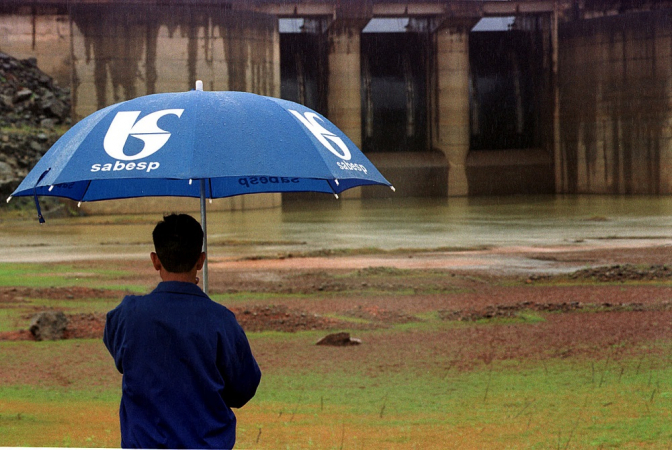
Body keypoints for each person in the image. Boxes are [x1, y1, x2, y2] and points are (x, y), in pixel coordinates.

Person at [103, 213, 261, 449]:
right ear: (201, 261)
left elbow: (121, 359)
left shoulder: (127, 314)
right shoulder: (221, 320)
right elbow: (243, 389)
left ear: (155, 261)